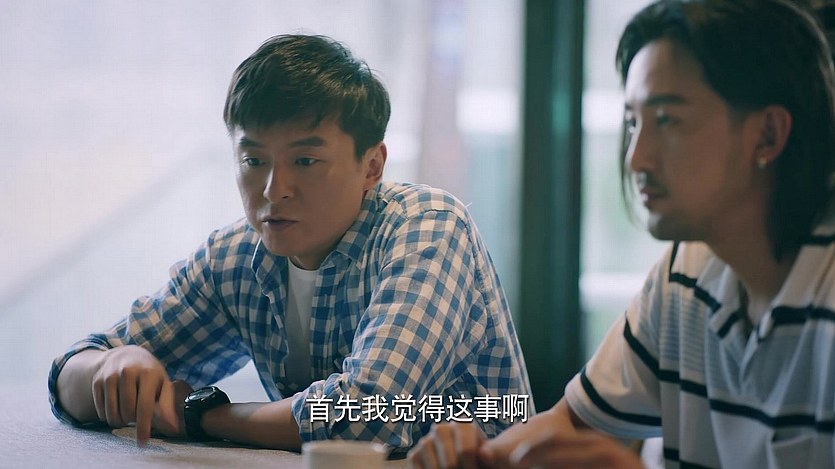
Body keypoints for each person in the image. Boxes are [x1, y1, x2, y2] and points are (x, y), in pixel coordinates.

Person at [48, 34, 533, 456]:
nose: (274, 189)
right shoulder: (236, 257)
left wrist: (204, 416)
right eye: (254, 160)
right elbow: (71, 373)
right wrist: (113, 366)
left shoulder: (427, 227)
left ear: (372, 166)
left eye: (304, 161)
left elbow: (366, 415)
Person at [408, 0, 835, 467]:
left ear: (768, 135)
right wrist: (477, 456)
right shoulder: (687, 273)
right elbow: (570, 425)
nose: (636, 158)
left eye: (667, 119)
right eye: (633, 121)